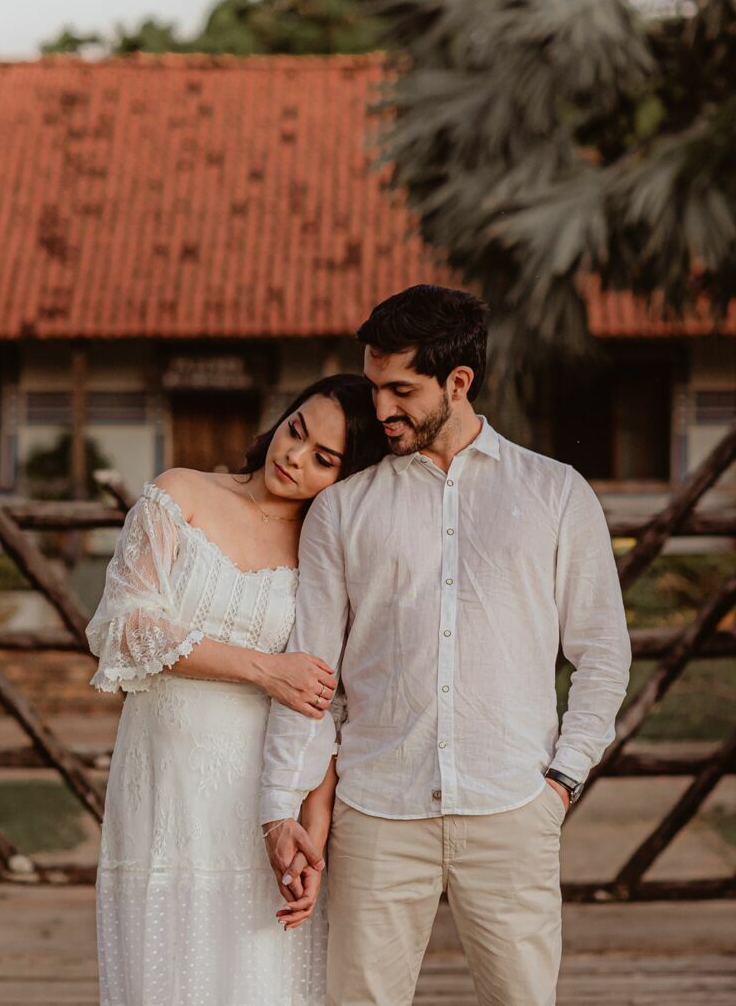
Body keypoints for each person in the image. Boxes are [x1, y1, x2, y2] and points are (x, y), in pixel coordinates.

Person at [260, 285, 632, 1006]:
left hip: (512, 808)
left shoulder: (556, 494)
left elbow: (603, 655)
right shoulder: (341, 509)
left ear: (458, 382)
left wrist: (560, 783)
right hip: (376, 815)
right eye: (374, 388)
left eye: (402, 389)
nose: (382, 410)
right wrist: (283, 809)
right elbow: (312, 679)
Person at [88, 373, 389, 1006]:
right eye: (295, 430)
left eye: (322, 458)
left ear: (348, 475)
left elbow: (325, 700)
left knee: (258, 977)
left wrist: (316, 823)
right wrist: (263, 668)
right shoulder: (181, 495)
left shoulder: (324, 551)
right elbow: (128, 627)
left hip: (263, 795)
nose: (293, 457)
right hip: (164, 783)